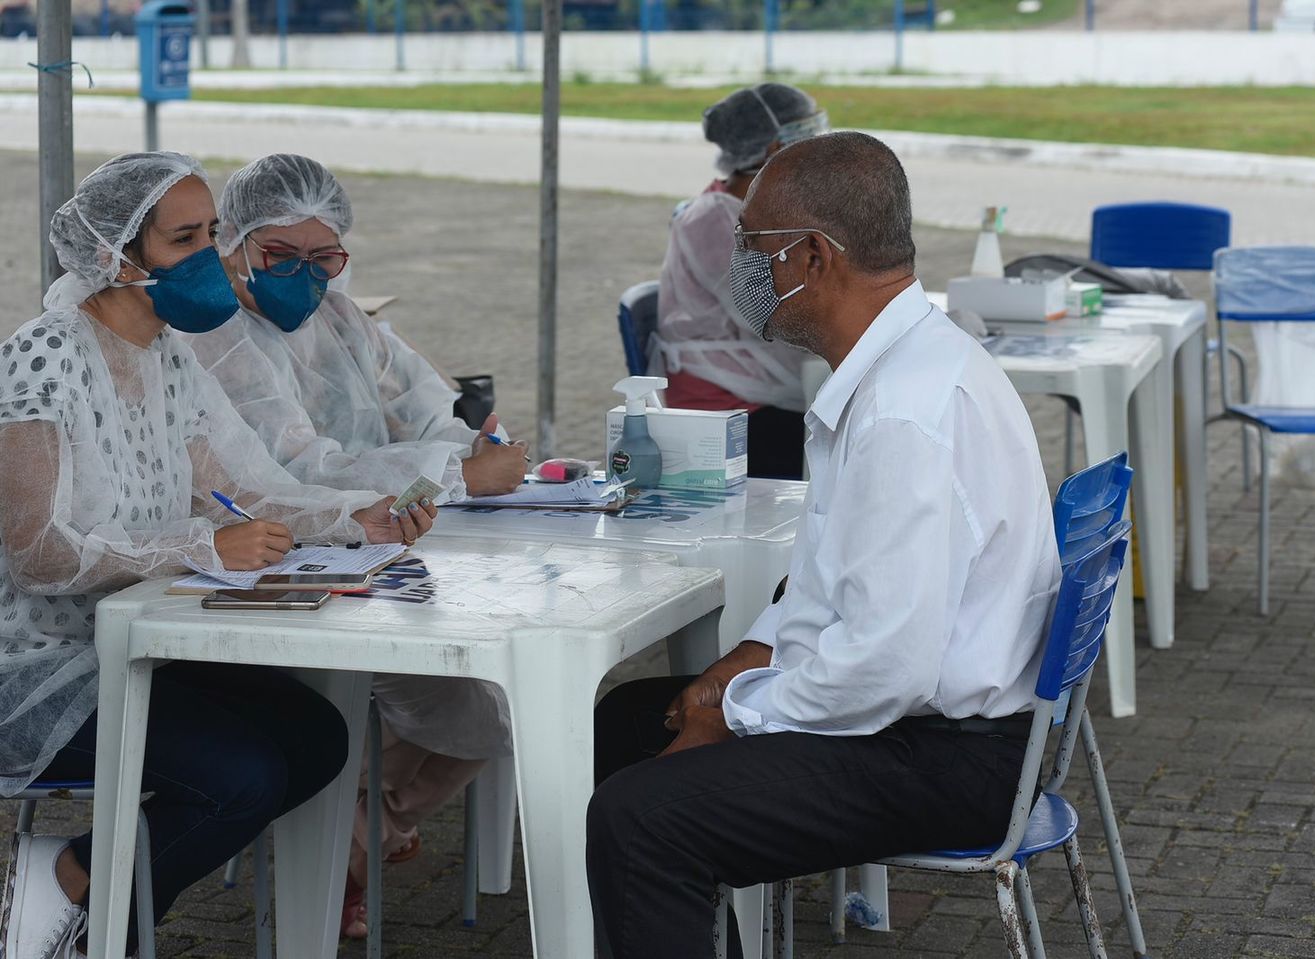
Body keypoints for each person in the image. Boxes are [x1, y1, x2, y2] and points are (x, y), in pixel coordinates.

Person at [587, 132, 1063, 958]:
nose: (741, 268)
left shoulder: (904, 413)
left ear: (812, 255)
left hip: (949, 756)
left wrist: (734, 717)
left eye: (752, 247)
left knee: (641, 818)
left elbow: (884, 665)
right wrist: (743, 660)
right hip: (920, 718)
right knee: (624, 724)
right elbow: (830, 579)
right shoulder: (898, 364)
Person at [0, 152, 438, 959]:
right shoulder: (46, 355)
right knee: (242, 775)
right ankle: (79, 898)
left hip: (142, 640)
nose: (209, 257)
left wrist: (360, 518)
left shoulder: (169, 358)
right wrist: (201, 543)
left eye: (212, 234)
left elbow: (243, 491)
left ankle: (80, 889)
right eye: (184, 240)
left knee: (315, 741)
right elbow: (38, 555)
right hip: (40, 662)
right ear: (114, 255)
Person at [187, 153, 524, 939]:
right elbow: (302, 469)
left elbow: (425, 402)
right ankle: (349, 838)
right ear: (233, 241)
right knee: (475, 700)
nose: (305, 276)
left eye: (324, 258)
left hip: (382, 548)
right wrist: (460, 473)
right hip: (283, 564)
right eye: (280, 256)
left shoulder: (340, 315)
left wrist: (467, 448)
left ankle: (361, 828)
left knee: (497, 691)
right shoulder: (219, 341)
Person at [651, 83, 828, 480]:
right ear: (773, 149)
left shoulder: (765, 210)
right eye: (807, 134)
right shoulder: (718, 222)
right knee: (846, 448)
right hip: (728, 410)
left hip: (758, 389)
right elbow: (781, 314)